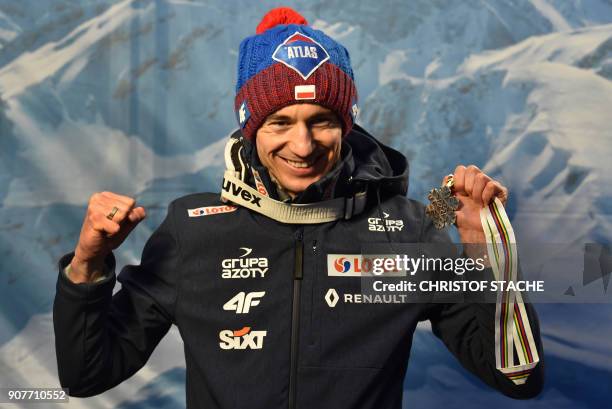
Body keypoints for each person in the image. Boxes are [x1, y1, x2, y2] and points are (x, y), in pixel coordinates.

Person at [53, 7, 544, 408]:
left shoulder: (409, 226)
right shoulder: (192, 228)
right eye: (280, 121)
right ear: (250, 127)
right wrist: (86, 266)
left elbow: (518, 378)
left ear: (347, 123)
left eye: (322, 120)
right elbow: (89, 374)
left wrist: (486, 250)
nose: (303, 145)